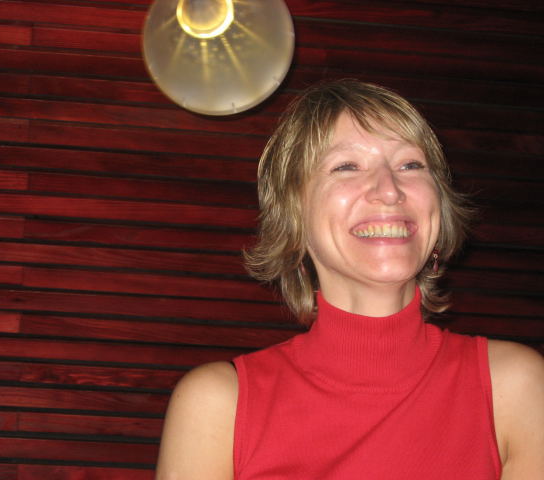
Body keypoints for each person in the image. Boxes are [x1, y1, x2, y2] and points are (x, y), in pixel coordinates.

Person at [155, 79, 544, 479]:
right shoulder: (219, 405)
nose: (389, 190)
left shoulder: (514, 387)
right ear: (293, 214)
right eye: (346, 166)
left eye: (410, 164)